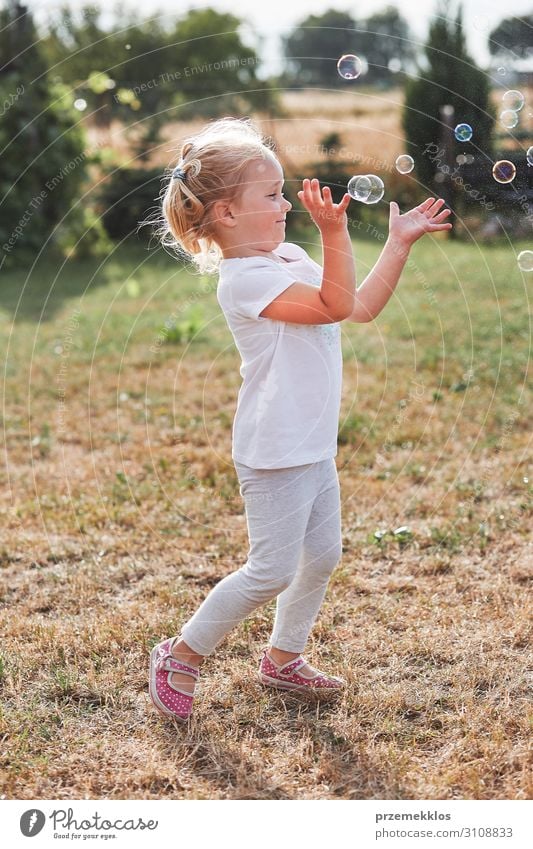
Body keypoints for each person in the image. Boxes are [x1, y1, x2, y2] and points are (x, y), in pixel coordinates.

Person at [148, 117, 452, 722]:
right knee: (270, 569)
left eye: (283, 192)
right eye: (272, 195)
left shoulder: (286, 255)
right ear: (228, 214)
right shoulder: (245, 280)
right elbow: (333, 305)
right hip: (275, 447)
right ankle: (180, 654)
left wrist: (397, 244)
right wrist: (335, 231)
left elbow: (357, 308)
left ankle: (283, 659)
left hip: (312, 443)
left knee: (322, 556)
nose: (286, 203)